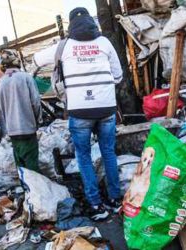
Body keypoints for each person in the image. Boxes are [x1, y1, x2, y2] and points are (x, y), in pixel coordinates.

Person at [33, 7, 123, 221]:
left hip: (80, 112)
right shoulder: (104, 43)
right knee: (109, 153)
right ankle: (115, 199)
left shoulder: (64, 46)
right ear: (92, 23)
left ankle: (96, 205)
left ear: (71, 24)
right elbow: (118, 76)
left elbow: (36, 59)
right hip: (106, 109)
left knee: (83, 157)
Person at [0, 49, 42, 172]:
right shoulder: (26, 78)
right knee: (32, 165)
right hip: (28, 128)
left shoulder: (0, 83)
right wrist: (38, 120)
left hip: (12, 131)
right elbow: (36, 102)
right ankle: (35, 190)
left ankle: (26, 188)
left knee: (20, 165)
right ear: (17, 62)